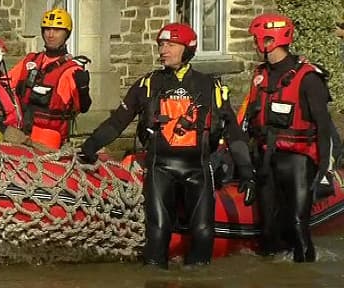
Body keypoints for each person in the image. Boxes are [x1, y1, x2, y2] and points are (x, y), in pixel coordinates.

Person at [79, 23, 256, 269]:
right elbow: (117, 122)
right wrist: (89, 147)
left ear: (187, 49)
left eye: (170, 45)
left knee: (203, 231)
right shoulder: (148, 84)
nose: (163, 50)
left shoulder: (209, 86)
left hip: (198, 169)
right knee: (158, 230)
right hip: (160, 168)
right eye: (161, 45)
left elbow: (234, 133)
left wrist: (246, 172)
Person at [243, 13, 335, 262]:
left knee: (297, 225)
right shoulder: (260, 75)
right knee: (269, 231)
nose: (254, 44)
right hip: (266, 158)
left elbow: (324, 126)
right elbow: (249, 118)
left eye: (256, 39)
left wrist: (324, 168)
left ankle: (304, 272)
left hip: (298, 161)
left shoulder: (308, 78)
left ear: (269, 40)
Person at [7, 7, 92, 150]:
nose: (50, 35)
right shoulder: (30, 61)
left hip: (49, 142)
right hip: (20, 136)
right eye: (47, 29)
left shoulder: (72, 71)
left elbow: (83, 108)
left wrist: (83, 90)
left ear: (66, 34)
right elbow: (5, 84)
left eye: (57, 30)